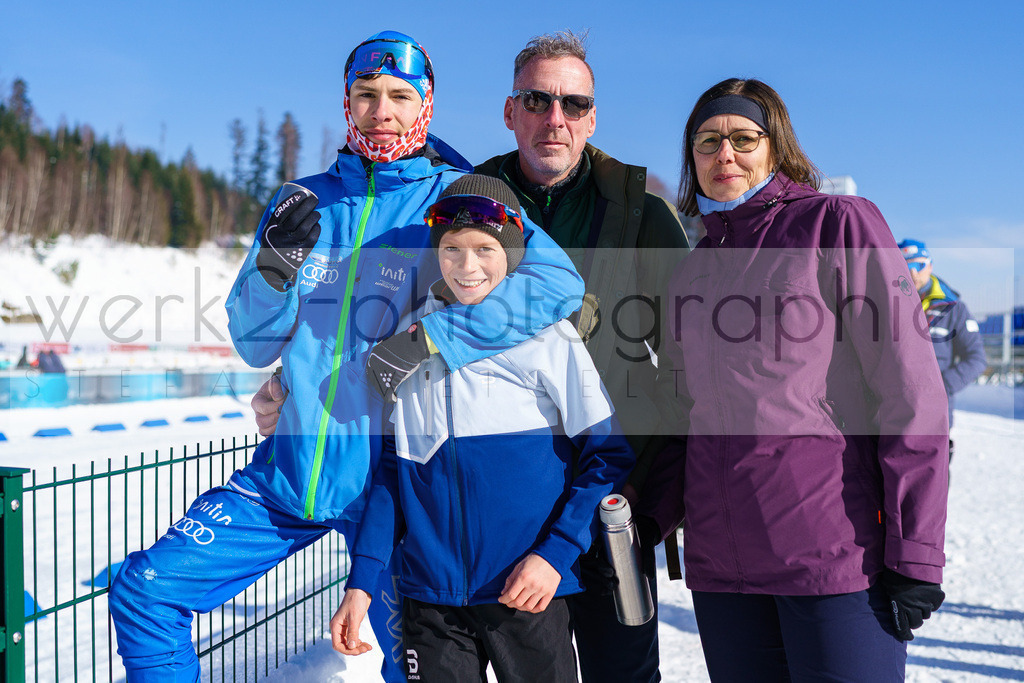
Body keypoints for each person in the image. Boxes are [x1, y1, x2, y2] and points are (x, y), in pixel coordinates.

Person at [108, 31, 583, 682]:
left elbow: (558, 283)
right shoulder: (300, 203)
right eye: (365, 95)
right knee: (147, 590)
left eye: (398, 96)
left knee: (410, 668)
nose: (381, 111)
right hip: (290, 472)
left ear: (426, 106)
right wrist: (274, 274)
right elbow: (254, 343)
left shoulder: (458, 195)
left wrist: (433, 340)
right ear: (346, 103)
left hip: (396, 491)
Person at [254, 31, 689, 682]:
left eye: (573, 103)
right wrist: (297, 374)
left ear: (593, 116)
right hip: (480, 543)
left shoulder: (644, 218)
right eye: (537, 99)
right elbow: (366, 301)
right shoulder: (465, 197)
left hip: (605, 507)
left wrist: (661, 496)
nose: (555, 117)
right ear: (510, 110)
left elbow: (685, 367)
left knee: (622, 672)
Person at [640, 79, 949, 681]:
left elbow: (909, 390)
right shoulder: (692, 269)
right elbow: (684, 416)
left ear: (775, 147)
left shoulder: (835, 224)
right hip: (723, 571)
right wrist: (651, 517)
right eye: (706, 141)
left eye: (742, 138)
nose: (723, 154)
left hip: (833, 559)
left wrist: (915, 551)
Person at [330, 174, 635, 682]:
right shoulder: (409, 341)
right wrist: (362, 581)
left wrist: (555, 556)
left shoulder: (549, 337)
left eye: (484, 249)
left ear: (511, 253)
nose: (466, 266)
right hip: (429, 599)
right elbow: (392, 476)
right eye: (451, 249)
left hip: (526, 589)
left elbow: (608, 455)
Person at [898, 238, 987, 459]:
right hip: (891, 418)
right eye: (904, 266)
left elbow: (976, 359)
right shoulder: (886, 305)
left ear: (930, 265)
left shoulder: (954, 309)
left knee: (931, 488)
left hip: (935, 418)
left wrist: (941, 387)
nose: (912, 273)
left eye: (918, 265)